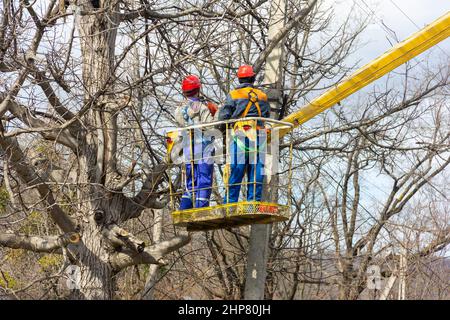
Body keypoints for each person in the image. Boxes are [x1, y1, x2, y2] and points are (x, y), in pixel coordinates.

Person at [218, 65, 270, 203]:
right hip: (260, 134)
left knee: (237, 167)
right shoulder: (263, 96)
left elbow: (224, 116)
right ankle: (254, 200)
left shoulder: (234, 95)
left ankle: (230, 201)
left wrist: (220, 128)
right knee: (257, 168)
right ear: (253, 78)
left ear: (239, 79)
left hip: (241, 134)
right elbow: (266, 115)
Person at [175, 75, 218, 210]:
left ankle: (185, 207)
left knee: (190, 179)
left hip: (188, 146)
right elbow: (211, 127)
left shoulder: (179, 110)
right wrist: (216, 113)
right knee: (204, 178)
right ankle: (201, 208)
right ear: (198, 89)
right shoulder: (202, 107)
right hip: (204, 146)